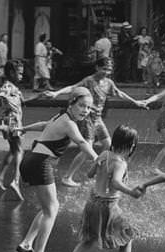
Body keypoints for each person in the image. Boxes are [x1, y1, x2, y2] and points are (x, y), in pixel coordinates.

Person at [14, 87, 99, 252]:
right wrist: (98, 160)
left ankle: (27, 244)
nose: (85, 110)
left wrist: (23, 128)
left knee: (48, 208)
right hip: (40, 163)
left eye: (89, 108)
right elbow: (82, 142)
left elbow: (44, 124)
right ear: (71, 103)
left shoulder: (59, 116)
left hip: (32, 160)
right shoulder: (69, 124)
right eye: (82, 105)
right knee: (51, 210)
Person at [58, 125, 145, 252]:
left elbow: (90, 174)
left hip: (92, 202)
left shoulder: (104, 154)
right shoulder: (120, 163)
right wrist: (131, 192)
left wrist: (100, 169)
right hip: (108, 206)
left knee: (88, 239)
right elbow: (115, 182)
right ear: (131, 145)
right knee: (128, 236)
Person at [44, 57, 145, 186]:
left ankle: (106, 172)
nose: (107, 71)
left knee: (108, 145)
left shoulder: (108, 83)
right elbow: (73, 88)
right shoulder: (89, 81)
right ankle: (68, 177)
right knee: (87, 148)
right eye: (104, 68)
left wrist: (135, 102)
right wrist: (56, 93)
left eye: (109, 69)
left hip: (98, 119)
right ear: (97, 67)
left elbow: (119, 93)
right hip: (87, 119)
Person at [0, 60, 31, 200]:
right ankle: (15, 180)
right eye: (19, 73)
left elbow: (24, 102)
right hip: (12, 121)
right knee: (20, 151)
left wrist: (41, 96)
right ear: (12, 73)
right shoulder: (7, 86)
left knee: (13, 150)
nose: (21, 76)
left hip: (11, 120)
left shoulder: (15, 88)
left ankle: (0, 178)